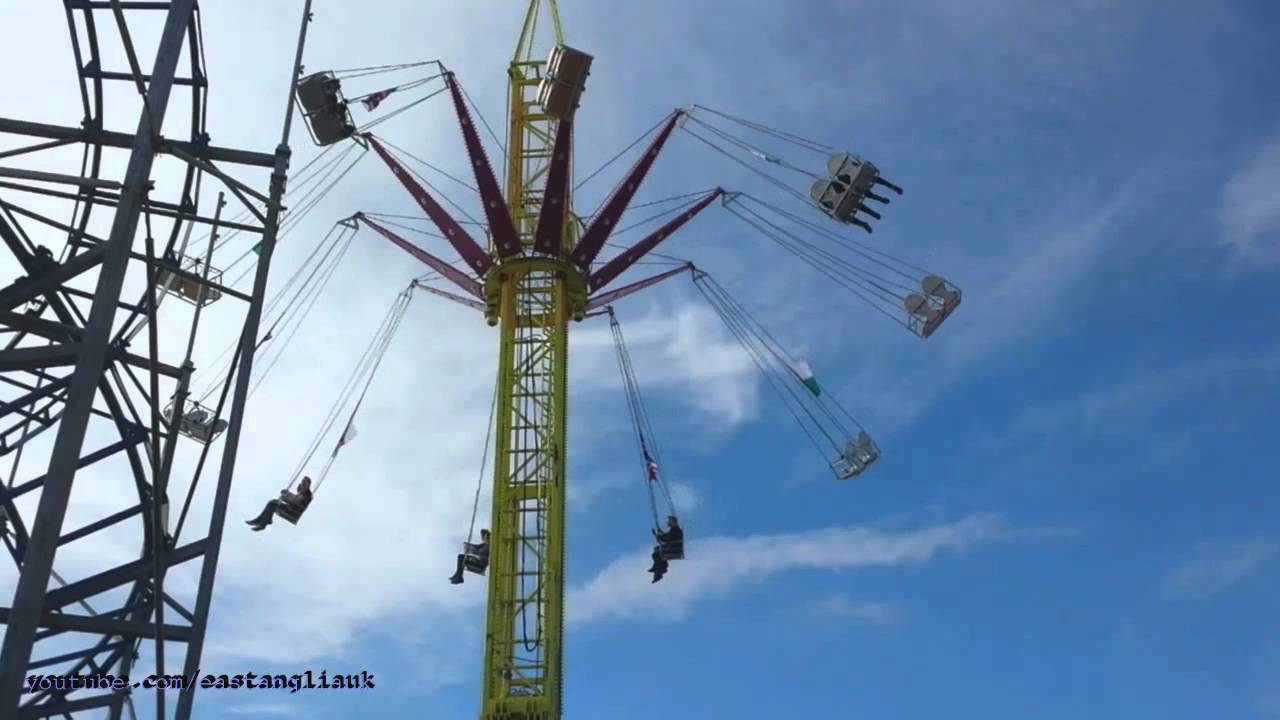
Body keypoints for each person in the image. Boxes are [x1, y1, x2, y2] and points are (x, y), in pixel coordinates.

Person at [246, 477, 312, 531]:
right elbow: (295, 498)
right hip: (290, 509)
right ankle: (261, 520)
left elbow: (295, 501)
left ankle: (263, 524)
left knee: (272, 504)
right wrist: (287, 494)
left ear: (308, 485)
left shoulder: (307, 494)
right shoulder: (302, 493)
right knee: (272, 502)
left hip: (292, 512)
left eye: (304, 483)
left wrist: (285, 496)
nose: (302, 485)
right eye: (302, 482)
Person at [648, 515, 683, 583]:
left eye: (668, 521)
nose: (667, 522)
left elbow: (666, 538)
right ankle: (660, 568)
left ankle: (659, 573)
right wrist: (660, 533)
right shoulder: (675, 529)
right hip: (673, 548)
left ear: (672, 522)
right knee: (656, 549)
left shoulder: (675, 529)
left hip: (674, 550)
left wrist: (657, 535)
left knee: (655, 554)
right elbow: (668, 536)